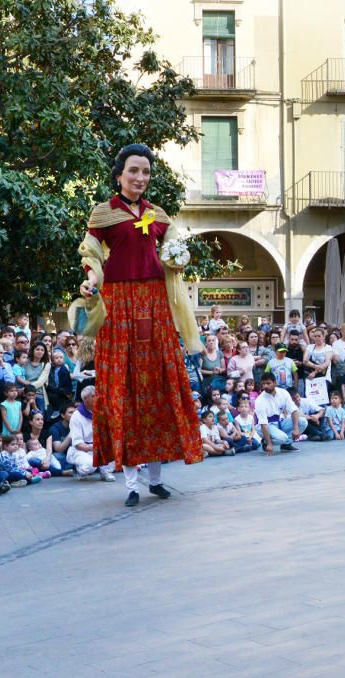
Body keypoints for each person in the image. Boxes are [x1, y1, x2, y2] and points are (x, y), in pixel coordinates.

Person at [77, 143, 202, 507]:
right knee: (123, 388)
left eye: (146, 172)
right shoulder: (103, 214)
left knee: (159, 385)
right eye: (134, 171)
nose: (140, 178)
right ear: (119, 175)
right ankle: (131, 483)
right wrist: (91, 280)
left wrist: (177, 258)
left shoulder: (159, 215)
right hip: (117, 305)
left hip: (155, 304)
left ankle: (156, 478)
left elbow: (174, 251)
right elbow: (92, 255)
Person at [68, 386, 115, 483]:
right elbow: (78, 443)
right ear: (85, 399)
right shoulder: (76, 416)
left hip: (99, 447)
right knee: (90, 465)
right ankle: (81, 471)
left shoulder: (103, 411)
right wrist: (95, 448)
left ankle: (106, 471)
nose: (97, 397)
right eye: (93, 396)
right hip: (82, 450)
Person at [254, 371, 300, 455]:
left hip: (279, 422)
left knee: (302, 421)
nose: (265, 386)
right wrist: (269, 444)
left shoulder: (283, 393)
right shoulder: (259, 400)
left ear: (275, 382)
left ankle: (286, 444)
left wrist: (296, 429)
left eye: (268, 383)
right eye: (263, 384)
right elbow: (263, 424)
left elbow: (293, 410)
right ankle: (265, 442)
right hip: (265, 426)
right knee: (282, 437)